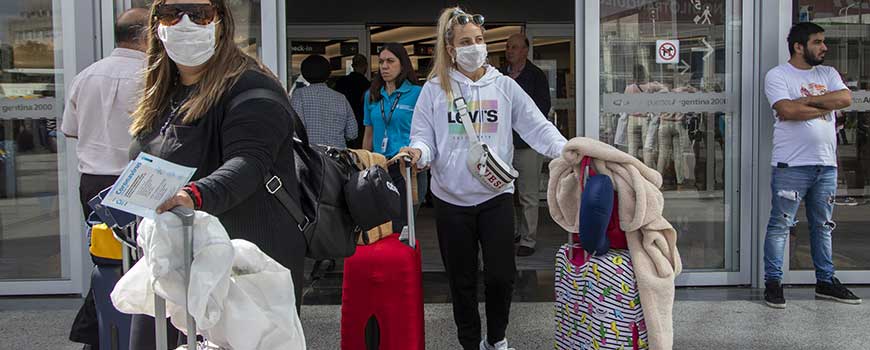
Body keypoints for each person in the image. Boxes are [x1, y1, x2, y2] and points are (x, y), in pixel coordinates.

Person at [127, 1, 306, 347]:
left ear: (221, 23)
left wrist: (190, 196)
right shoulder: (165, 93)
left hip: (243, 263)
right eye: (171, 13)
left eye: (199, 14)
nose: (184, 24)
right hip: (176, 262)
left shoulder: (253, 89)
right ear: (156, 25)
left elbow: (248, 164)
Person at [400, 8, 566, 350]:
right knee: (461, 281)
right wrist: (418, 154)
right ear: (450, 48)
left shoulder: (504, 86)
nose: (474, 47)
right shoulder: (433, 90)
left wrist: (567, 151)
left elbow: (537, 127)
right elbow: (424, 138)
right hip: (450, 200)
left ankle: (497, 339)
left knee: (501, 276)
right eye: (465, 42)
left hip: (496, 197)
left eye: (478, 40)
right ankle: (470, 342)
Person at [61, 8, 149, 350]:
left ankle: (100, 334)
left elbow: (71, 130)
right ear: (144, 36)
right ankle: (100, 332)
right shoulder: (152, 76)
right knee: (140, 263)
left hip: (93, 182)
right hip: (136, 182)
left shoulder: (85, 76)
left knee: (108, 260)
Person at [762, 22, 862, 309]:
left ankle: (826, 282)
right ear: (798, 46)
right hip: (791, 164)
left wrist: (808, 100)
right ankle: (773, 283)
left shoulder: (828, 73)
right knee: (781, 225)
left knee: (823, 226)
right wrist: (824, 105)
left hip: (825, 164)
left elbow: (844, 98)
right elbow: (787, 110)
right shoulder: (778, 75)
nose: (824, 47)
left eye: (823, 41)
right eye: (817, 42)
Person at [361, 42, 425, 229]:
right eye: (381, 62)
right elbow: (368, 133)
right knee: (381, 223)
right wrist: (363, 164)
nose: (384, 66)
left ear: (403, 65)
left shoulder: (417, 93)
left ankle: (404, 256)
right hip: (379, 166)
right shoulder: (372, 95)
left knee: (405, 225)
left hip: (407, 167)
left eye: (390, 61)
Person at [500, 33, 552, 257]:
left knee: (528, 194)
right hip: (503, 145)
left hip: (528, 145)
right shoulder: (500, 76)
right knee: (503, 191)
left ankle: (528, 240)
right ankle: (510, 232)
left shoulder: (536, 76)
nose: (510, 51)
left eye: (515, 47)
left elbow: (541, 109)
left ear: (525, 51)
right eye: (508, 47)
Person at [290, 54, 358, 148]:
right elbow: (352, 133)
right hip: (337, 157)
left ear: (304, 73)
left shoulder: (299, 95)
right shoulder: (341, 98)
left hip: (311, 155)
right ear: (328, 73)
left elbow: (296, 129)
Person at [336, 53, 371, 149]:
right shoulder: (368, 85)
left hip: (342, 123)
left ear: (352, 66)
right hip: (362, 124)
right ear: (366, 66)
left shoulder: (342, 82)